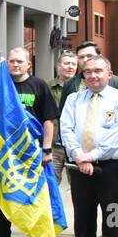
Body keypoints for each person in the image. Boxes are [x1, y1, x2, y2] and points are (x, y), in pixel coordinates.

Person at [60, 56, 118, 237]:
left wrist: (91, 156)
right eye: (88, 71)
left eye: (98, 71)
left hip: (109, 168)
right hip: (80, 168)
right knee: (83, 217)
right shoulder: (74, 99)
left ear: (109, 74)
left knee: (114, 217)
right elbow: (66, 130)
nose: (93, 75)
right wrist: (79, 156)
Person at [0, 47, 59, 237]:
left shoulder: (39, 85)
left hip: (31, 153)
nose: (15, 64)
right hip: (5, 152)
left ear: (28, 64)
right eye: (12, 61)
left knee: (33, 197)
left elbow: (48, 120)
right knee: (3, 196)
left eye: (19, 61)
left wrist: (47, 149)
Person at [48, 50, 78, 183]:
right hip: (53, 145)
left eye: (73, 64)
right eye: (67, 63)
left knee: (77, 185)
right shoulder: (47, 87)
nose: (70, 66)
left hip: (74, 145)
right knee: (50, 184)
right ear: (58, 66)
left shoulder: (83, 88)